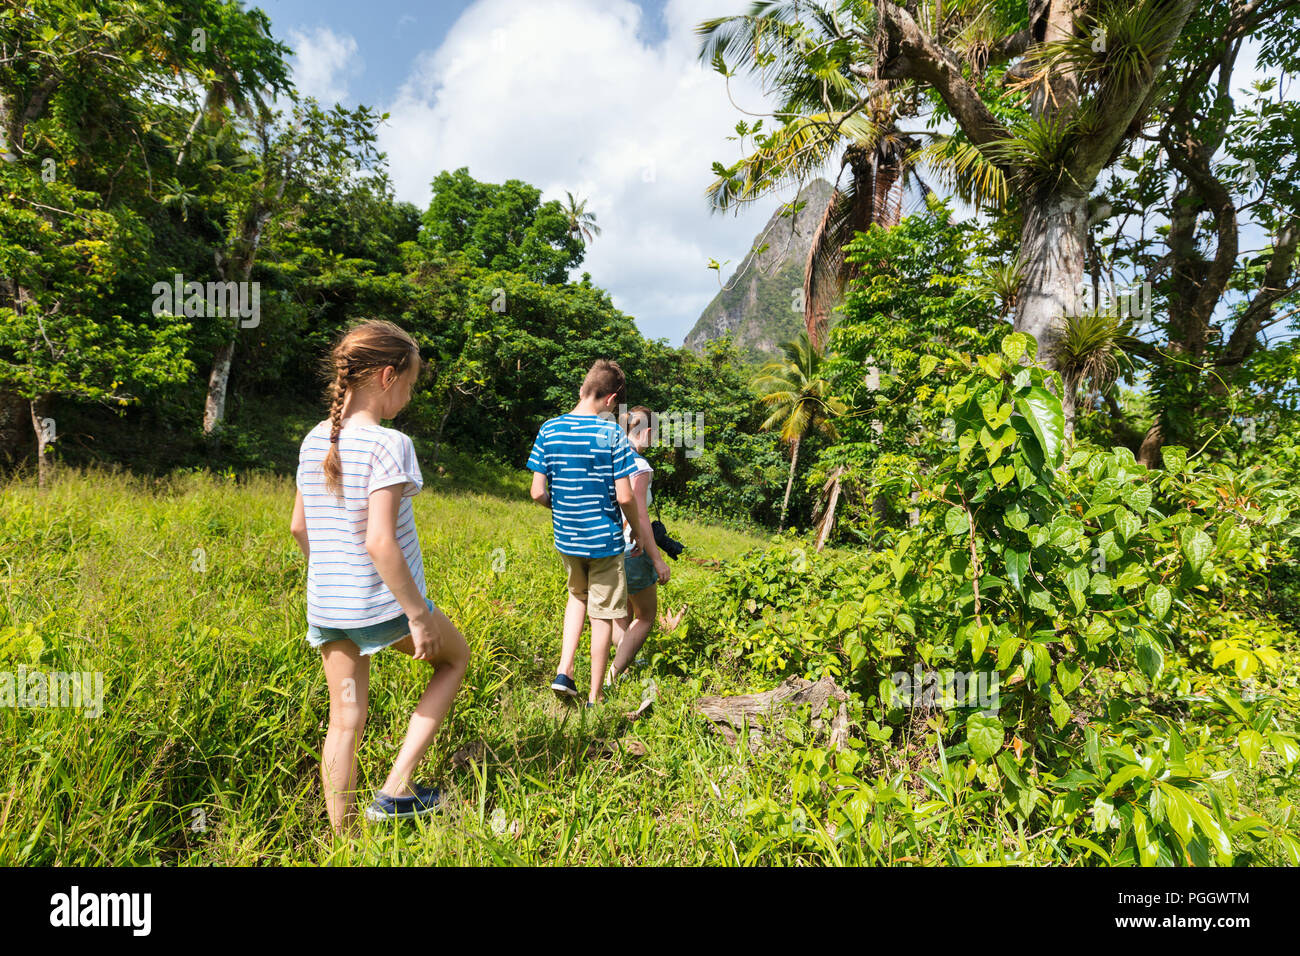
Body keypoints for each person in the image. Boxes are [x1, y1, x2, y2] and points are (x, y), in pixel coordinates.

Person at [290, 319, 469, 831]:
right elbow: (379, 540)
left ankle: (341, 840)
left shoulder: (312, 440)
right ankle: (395, 790)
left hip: (328, 606)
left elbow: (299, 528)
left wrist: (334, 578)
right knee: (454, 661)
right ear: (387, 375)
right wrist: (418, 615)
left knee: (345, 720)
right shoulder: (389, 443)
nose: (408, 399)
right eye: (410, 386)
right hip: (382, 606)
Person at [527, 360, 668, 705]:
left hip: (567, 538)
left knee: (577, 596)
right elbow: (624, 497)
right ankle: (594, 695)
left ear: (583, 389)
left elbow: (536, 492)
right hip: (604, 542)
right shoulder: (611, 435)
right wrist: (638, 534)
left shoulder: (550, 428)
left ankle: (565, 670)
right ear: (612, 399)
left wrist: (562, 508)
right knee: (602, 615)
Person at [609, 405, 667, 685]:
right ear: (647, 432)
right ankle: (612, 676)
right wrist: (657, 560)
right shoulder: (640, 466)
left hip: (606, 547)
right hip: (633, 548)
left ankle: (625, 668)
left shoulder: (611, 459)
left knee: (621, 614)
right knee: (645, 616)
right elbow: (640, 516)